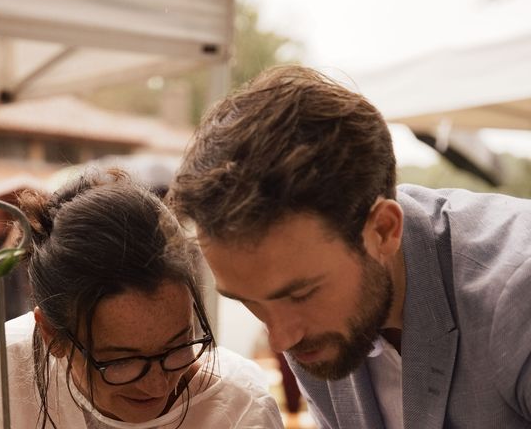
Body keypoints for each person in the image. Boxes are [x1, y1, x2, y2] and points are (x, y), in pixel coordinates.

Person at [167, 65, 531, 428]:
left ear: (384, 230)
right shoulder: (307, 324)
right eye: (249, 302)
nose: (280, 340)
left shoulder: (518, 289)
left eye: (302, 294)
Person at [0, 169, 284, 429]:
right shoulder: (2, 374)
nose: (157, 383)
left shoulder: (238, 409)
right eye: (122, 361)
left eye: (177, 346)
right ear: (52, 336)